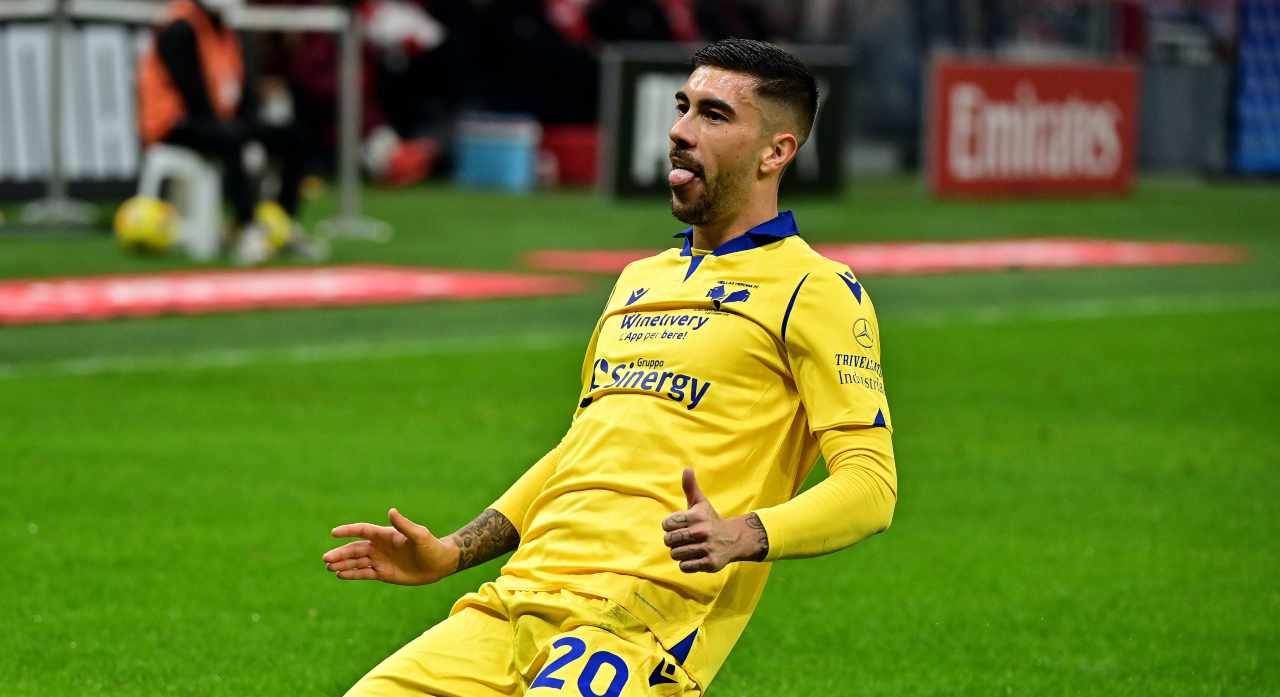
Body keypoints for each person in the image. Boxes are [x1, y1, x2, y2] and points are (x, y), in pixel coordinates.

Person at [323, 38, 897, 696]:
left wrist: (745, 533)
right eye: (683, 107)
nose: (680, 131)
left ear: (777, 151)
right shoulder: (637, 279)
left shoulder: (815, 288)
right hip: (512, 601)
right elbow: (578, 451)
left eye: (713, 116)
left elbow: (870, 487)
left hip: (636, 624)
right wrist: (455, 549)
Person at [137, 0, 322, 264]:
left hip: (219, 120)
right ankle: (247, 227)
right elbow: (195, 99)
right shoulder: (179, 28)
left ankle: (282, 221)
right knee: (232, 139)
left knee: (292, 136)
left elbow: (242, 94)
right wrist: (239, 129)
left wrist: (253, 125)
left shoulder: (225, 28)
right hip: (173, 124)